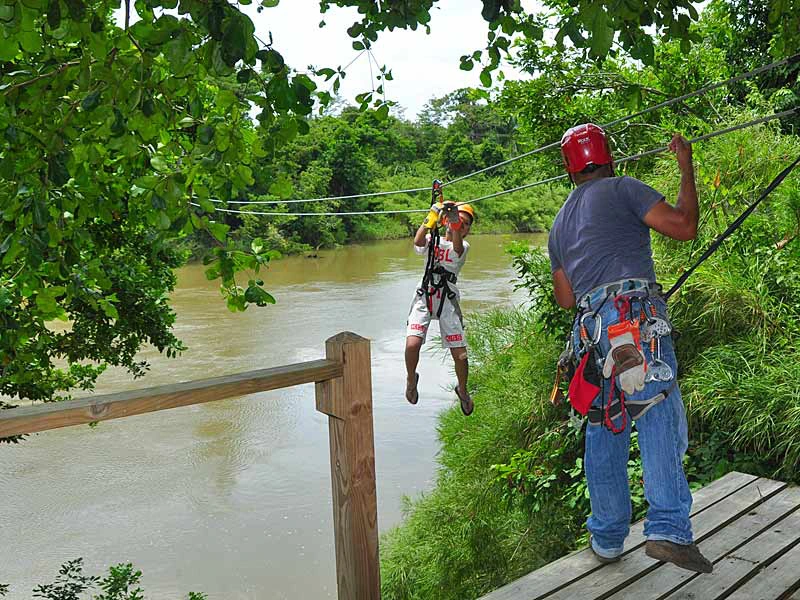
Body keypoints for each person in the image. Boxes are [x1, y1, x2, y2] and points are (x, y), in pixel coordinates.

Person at [548, 123, 713, 573]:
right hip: (634, 316)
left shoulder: (559, 224)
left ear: (570, 169)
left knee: (606, 424)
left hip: (592, 333)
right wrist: (686, 166)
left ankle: (606, 536)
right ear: (609, 159)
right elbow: (683, 226)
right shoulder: (623, 189)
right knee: (655, 404)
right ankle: (668, 531)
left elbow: (566, 298)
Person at [405, 200, 476, 416]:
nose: (460, 226)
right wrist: (432, 217)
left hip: (447, 300)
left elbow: (455, 249)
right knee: (412, 345)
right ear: (446, 221)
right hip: (425, 295)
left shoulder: (462, 247)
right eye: (458, 221)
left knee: (461, 355)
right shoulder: (432, 239)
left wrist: (454, 224)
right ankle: (411, 378)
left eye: (465, 224)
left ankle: (462, 389)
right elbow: (417, 242)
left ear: (467, 231)